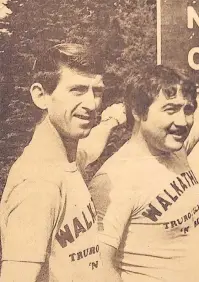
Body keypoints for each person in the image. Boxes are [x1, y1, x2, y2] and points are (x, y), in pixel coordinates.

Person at [89, 66, 199, 282]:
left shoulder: (176, 149)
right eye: (170, 109)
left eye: (187, 109)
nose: (182, 122)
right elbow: (97, 268)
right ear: (138, 111)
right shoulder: (113, 180)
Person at [0, 43, 126, 282]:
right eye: (77, 90)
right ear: (41, 96)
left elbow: (89, 150)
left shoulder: (66, 159)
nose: (91, 105)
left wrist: (111, 120)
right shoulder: (38, 185)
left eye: (96, 91)